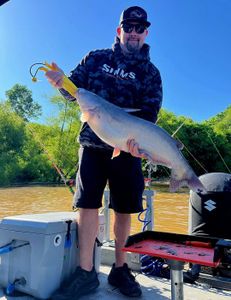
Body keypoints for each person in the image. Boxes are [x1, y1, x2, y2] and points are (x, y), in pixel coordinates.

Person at [46, 6, 163, 299]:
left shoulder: (151, 73)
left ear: (146, 32)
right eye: (128, 27)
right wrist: (62, 81)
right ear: (119, 30)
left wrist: (140, 144)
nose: (133, 32)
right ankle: (86, 272)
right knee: (87, 204)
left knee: (124, 209)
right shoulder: (95, 58)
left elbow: (150, 115)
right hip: (92, 144)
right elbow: (73, 90)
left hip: (127, 149)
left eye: (139, 27)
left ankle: (121, 269)